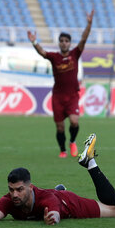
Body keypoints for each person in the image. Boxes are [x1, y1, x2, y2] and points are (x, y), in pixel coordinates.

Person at [0, 133, 115, 225]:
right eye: (11, 190)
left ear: (30, 187)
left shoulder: (47, 199)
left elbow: (54, 212)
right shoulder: (10, 200)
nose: (14, 194)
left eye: (19, 190)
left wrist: (52, 219)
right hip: (54, 196)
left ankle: (90, 163)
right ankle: (58, 189)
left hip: (68, 203)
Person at [27, 10, 95, 158]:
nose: (64, 43)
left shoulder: (75, 54)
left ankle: (72, 141)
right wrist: (34, 42)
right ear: (59, 43)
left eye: (66, 41)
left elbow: (83, 39)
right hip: (58, 97)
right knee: (59, 127)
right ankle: (62, 150)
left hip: (72, 96)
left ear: (69, 43)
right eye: (62, 41)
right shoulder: (54, 57)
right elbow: (42, 52)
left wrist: (89, 24)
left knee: (74, 122)